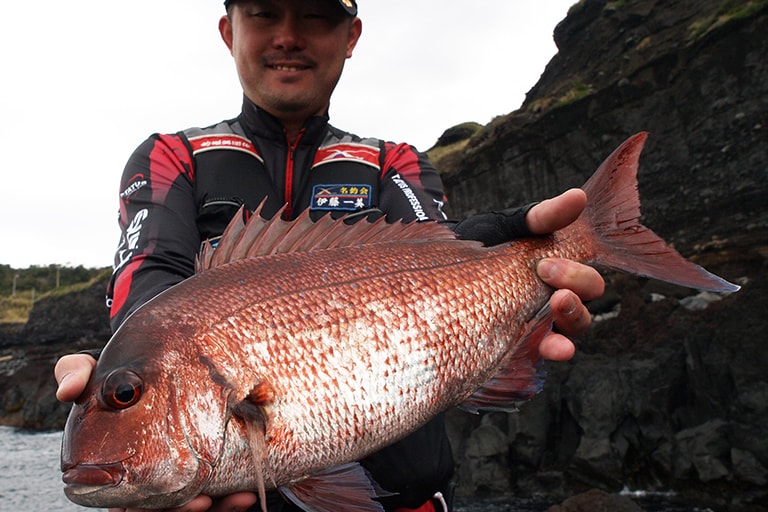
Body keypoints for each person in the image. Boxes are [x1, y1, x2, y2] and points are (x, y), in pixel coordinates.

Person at [54, 1, 604, 511]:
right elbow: (145, 292)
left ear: (351, 37)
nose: (288, 37)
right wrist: (127, 373)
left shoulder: (395, 163)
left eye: (316, 16)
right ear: (228, 31)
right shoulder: (172, 157)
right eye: (266, 13)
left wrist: (502, 250)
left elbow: (432, 252)